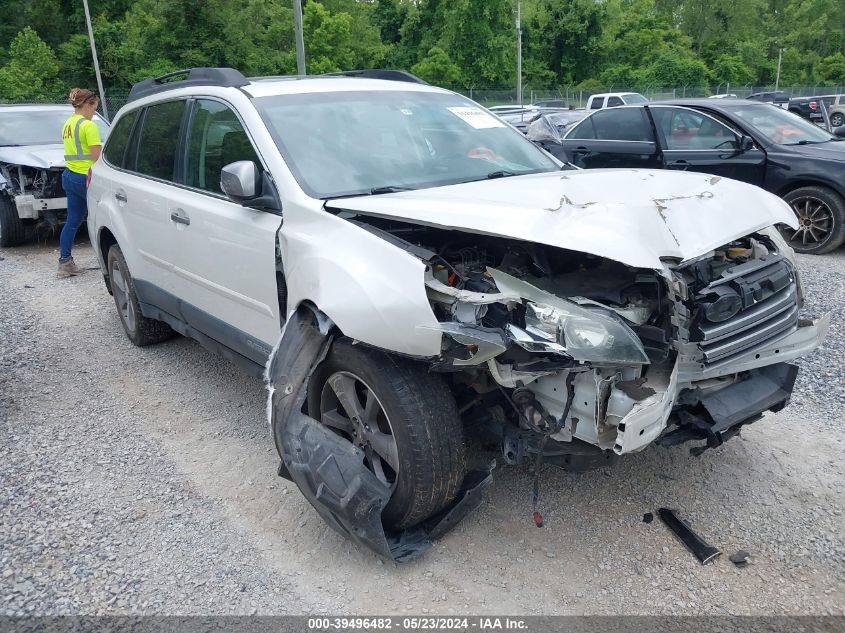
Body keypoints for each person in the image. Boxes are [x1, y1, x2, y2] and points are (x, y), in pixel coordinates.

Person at [58, 88, 102, 277]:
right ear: (87, 104)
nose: (94, 113)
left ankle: (65, 263)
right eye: (94, 108)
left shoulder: (68, 123)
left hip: (69, 175)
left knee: (73, 221)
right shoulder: (88, 126)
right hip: (86, 177)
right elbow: (96, 156)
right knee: (106, 216)